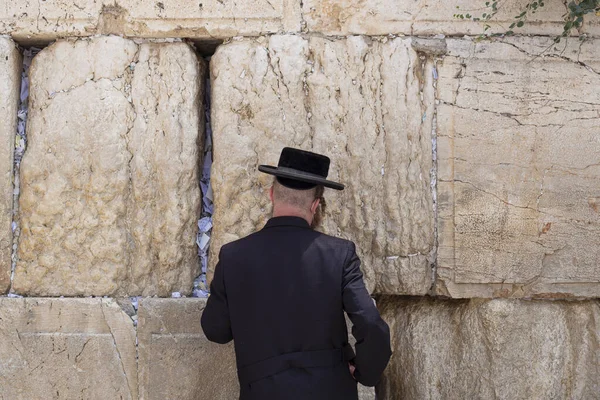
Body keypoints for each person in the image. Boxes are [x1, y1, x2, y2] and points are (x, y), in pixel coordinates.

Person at [201, 147, 392, 400]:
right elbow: (371, 325)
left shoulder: (233, 256)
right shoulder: (340, 254)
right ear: (315, 204)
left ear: (271, 195)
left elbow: (216, 331)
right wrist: (364, 374)